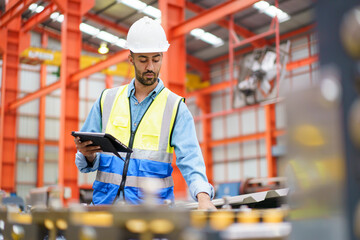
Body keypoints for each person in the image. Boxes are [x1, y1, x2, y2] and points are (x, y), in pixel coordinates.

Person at [74, 16, 216, 210]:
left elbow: (191, 159)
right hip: (106, 209)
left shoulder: (175, 107)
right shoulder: (106, 100)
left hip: (153, 214)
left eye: (156, 59)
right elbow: (85, 161)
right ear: (131, 58)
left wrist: (204, 197)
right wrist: (87, 155)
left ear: (162, 57)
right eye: (143, 60)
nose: (150, 67)